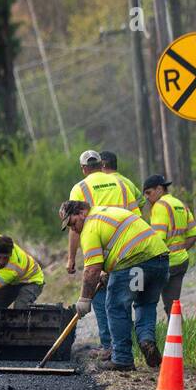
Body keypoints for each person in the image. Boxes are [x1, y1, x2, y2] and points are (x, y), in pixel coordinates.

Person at [59, 199, 170, 372]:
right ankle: (146, 340)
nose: (74, 229)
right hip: (159, 260)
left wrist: (84, 299)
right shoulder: (106, 212)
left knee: (115, 307)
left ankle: (122, 358)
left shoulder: (89, 227)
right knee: (144, 303)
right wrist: (109, 273)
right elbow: (118, 243)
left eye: (73, 223)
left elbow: (91, 269)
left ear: (82, 212)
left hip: (135, 262)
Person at [64, 149, 143, 361]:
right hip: (130, 244)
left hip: (100, 242)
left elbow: (74, 226)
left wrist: (71, 258)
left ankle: (110, 346)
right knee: (123, 298)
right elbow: (137, 215)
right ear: (101, 165)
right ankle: (127, 344)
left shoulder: (79, 188)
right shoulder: (122, 184)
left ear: (83, 169)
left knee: (99, 295)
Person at [142, 174, 196, 318]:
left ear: (160, 189)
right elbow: (193, 235)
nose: (147, 198)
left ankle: (169, 337)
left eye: (149, 193)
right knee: (173, 305)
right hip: (181, 262)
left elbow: (157, 240)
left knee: (151, 302)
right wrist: (179, 250)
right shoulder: (181, 204)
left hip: (167, 264)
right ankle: (177, 337)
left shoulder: (159, 206)